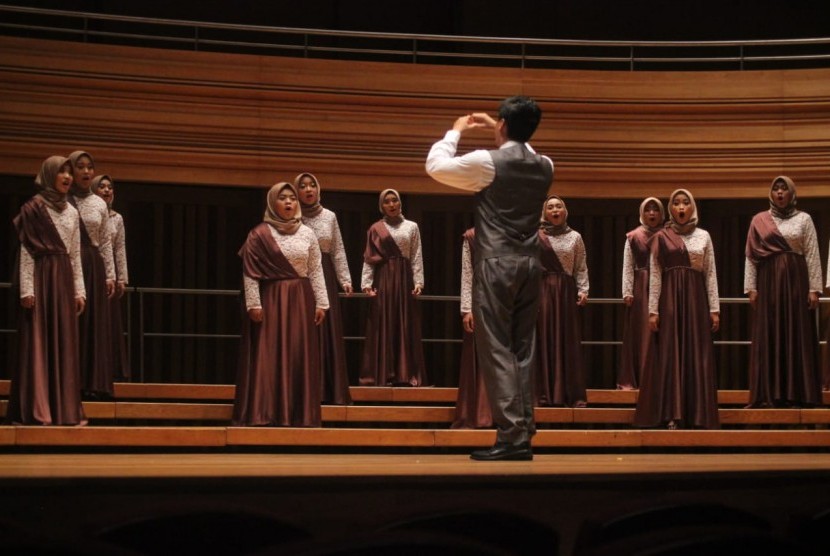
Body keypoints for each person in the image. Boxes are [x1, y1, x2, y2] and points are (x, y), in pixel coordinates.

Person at [426, 95, 553, 461]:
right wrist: (500, 126)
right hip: (531, 263)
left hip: (497, 262)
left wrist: (456, 131)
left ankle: (512, 437)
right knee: (522, 349)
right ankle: (523, 431)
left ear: (501, 125)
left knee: (496, 348)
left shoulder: (487, 162)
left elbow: (435, 166)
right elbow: (522, 150)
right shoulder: (546, 164)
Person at [232, 182, 328, 427]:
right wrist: (254, 303)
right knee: (269, 353)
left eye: (292, 198)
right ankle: (266, 412)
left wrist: (322, 303)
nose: (289, 202)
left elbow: (316, 270)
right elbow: (250, 272)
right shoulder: (259, 233)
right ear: (272, 202)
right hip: (272, 299)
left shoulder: (307, 233)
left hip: (301, 299)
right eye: (282, 198)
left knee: (298, 353)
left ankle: (298, 413)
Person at [6, 156, 87, 425]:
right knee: (38, 343)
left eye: (68, 172)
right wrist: (26, 289)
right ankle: (38, 408)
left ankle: (63, 410)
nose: (66, 176)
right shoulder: (33, 208)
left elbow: (75, 254)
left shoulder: (73, 211)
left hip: (63, 278)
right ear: (49, 174)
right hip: (41, 277)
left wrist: (80, 291)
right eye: (61, 172)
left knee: (64, 343)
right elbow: (27, 251)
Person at [634, 189, 720, 430]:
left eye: (685, 203)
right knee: (671, 354)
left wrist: (714, 308)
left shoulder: (704, 236)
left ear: (692, 207)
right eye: (676, 203)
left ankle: (698, 414)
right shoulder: (661, 236)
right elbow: (656, 276)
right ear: (670, 209)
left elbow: (711, 273)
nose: (681, 207)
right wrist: (653, 310)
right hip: (670, 301)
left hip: (695, 300)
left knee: (696, 353)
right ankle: (672, 412)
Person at [744, 176, 822, 407]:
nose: (779, 192)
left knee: (796, 332)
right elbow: (751, 256)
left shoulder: (804, 219)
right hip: (768, 283)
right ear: (771, 193)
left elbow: (812, 253)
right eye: (775, 189)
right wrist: (751, 287)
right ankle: (768, 393)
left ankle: (798, 392)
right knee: (770, 332)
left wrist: (814, 288)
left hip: (797, 282)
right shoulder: (759, 220)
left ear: (791, 193)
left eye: (783, 189)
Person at [359, 189, 428, 387]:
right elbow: (369, 259)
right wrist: (366, 284)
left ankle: (405, 373)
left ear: (399, 203)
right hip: (384, 280)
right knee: (384, 323)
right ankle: (384, 373)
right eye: (387, 201)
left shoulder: (412, 227)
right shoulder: (375, 229)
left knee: (404, 323)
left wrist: (418, 282)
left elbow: (416, 255)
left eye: (394, 200)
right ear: (382, 206)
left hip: (404, 279)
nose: (391, 204)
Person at [295, 172, 353, 405]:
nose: (308, 189)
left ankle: (326, 389)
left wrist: (345, 279)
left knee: (326, 330)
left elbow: (337, 250)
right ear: (296, 191)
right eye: (303, 186)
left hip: (325, 276)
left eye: (312, 185)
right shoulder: (290, 217)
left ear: (318, 190)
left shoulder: (330, 217)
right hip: (299, 276)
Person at [68, 150, 116, 401]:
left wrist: (110, 274)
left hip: (94, 266)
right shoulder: (63, 200)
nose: (86, 172)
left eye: (90, 167)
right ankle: (70, 382)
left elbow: (106, 241)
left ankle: (93, 382)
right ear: (71, 171)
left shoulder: (99, 203)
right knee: (73, 325)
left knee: (94, 326)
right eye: (80, 167)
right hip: (70, 266)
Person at [535, 195, 589, 408]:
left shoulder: (575, 237)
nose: (555, 210)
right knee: (543, 339)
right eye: (550, 207)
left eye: (559, 206)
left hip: (566, 293)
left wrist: (584, 289)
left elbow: (581, 266)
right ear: (544, 212)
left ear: (565, 211)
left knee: (566, 339)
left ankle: (568, 393)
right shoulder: (535, 236)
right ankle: (543, 393)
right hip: (542, 291)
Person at [618, 197, 664, 390]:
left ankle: (662, 376)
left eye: (655, 209)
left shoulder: (668, 234)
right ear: (642, 213)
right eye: (648, 210)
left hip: (664, 284)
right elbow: (628, 265)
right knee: (642, 332)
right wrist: (627, 291)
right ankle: (642, 376)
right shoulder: (634, 236)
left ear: (662, 213)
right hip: (641, 286)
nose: (652, 213)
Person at [452, 227, 493, 429]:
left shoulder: (514, 232)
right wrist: (467, 309)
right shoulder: (471, 236)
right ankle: (478, 412)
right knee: (480, 355)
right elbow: (467, 273)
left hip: (506, 301)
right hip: (480, 298)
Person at [91, 174, 130, 382]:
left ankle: (109, 369)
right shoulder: (86, 212)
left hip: (109, 274)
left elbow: (119, 248)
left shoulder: (117, 218)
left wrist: (121, 277)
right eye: (102, 187)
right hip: (90, 270)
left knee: (110, 322)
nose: (107, 190)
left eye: (110, 187)